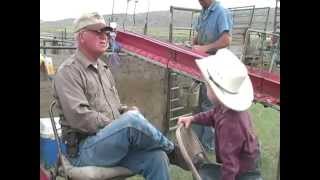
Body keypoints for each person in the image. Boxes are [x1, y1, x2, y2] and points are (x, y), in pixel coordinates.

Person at [53, 12, 188, 180]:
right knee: (131, 122)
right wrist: (121, 124)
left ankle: (167, 151)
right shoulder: (68, 72)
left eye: (106, 32)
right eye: (97, 32)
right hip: (84, 149)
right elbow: (80, 118)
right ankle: (174, 151)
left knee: (157, 158)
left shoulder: (104, 69)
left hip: (110, 145)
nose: (104, 37)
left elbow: (114, 108)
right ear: (81, 36)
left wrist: (125, 112)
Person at [178, 49, 262, 180]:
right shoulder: (225, 108)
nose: (206, 88)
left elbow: (230, 165)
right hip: (247, 162)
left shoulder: (230, 125)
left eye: (207, 85)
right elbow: (212, 115)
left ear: (215, 92)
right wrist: (193, 118)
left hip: (244, 173)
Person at [192, 0, 233, 151]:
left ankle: (208, 144)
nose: (199, 1)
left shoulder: (221, 12)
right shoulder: (203, 13)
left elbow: (226, 40)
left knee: (209, 104)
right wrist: (193, 44)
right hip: (202, 64)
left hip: (215, 65)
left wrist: (203, 48)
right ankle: (196, 140)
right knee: (198, 103)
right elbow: (198, 35)